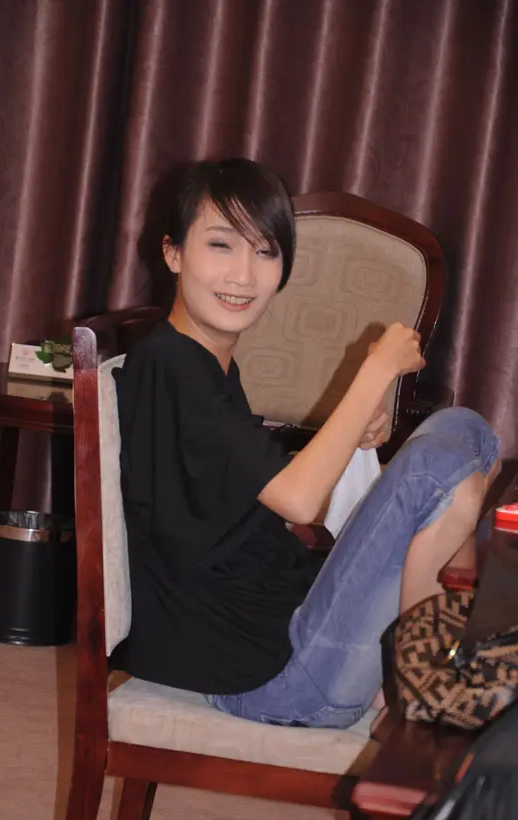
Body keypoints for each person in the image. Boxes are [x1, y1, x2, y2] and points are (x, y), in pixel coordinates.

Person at [112, 157, 500, 729]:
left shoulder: (196, 363)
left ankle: (424, 659)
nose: (243, 274)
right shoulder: (173, 366)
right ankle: (420, 672)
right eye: (221, 245)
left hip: (285, 629)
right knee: (439, 463)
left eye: (265, 251)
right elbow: (298, 501)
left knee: (462, 430)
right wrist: (375, 371)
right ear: (173, 253)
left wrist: (350, 432)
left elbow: (234, 489)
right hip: (270, 679)